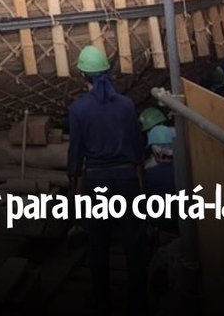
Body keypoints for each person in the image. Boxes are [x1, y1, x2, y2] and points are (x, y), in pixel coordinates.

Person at [67, 45, 147, 314]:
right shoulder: (126, 105)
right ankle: (138, 300)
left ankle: (102, 302)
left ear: (82, 76)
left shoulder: (78, 110)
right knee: (133, 244)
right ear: (108, 73)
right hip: (126, 181)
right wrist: (141, 187)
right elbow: (137, 148)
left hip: (97, 182)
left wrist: (73, 192)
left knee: (98, 245)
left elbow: (75, 155)